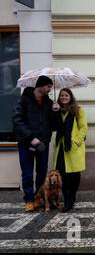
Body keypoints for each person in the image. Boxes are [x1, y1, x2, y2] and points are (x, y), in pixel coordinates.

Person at [12, 75, 59, 212]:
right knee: (27, 173)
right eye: (48, 86)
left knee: (41, 172)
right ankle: (29, 200)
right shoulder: (24, 100)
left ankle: (39, 198)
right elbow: (17, 120)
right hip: (26, 144)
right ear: (40, 86)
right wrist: (31, 137)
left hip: (42, 144)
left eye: (50, 87)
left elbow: (54, 126)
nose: (50, 89)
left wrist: (56, 112)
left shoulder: (49, 103)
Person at [52, 88, 87, 212]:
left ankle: (72, 196)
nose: (63, 97)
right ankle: (67, 200)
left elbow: (83, 128)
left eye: (66, 95)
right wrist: (55, 112)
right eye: (61, 96)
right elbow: (54, 127)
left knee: (74, 175)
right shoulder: (57, 111)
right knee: (62, 175)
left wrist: (76, 141)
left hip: (73, 148)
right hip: (61, 148)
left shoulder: (78, 110)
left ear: (71, 97)